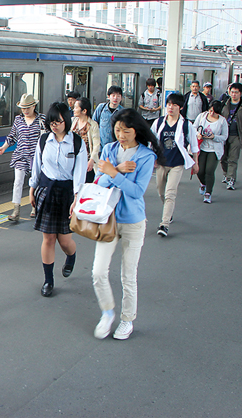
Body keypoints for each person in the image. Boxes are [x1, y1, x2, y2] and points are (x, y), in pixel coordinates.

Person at [92, 108, 163, 341]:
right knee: (98, 272)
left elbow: (136, 192)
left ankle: (127, 319)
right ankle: (107, 311)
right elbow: (99, 182)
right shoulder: (110, 149)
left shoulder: (145, 156)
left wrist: (113, 173)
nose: (120, 135)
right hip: (108, 219)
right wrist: (117, 171)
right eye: (117, 130)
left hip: (133, 222)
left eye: (126, 130)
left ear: (137, 130)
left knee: (128, 275)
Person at [29, 102, 88, 298]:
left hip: (67, 194)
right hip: (46, 190)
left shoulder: (77, 143)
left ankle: (71, 257)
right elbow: (37, 165)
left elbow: (79, 174)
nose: (54, 126)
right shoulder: (44, 140)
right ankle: (48, 280)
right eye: (51, 122)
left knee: (64, 240)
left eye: (58, 122)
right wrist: (32, 188)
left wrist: (77, 197)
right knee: (48, 238)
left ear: (67, 121)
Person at [150, 93, 199, 237]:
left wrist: (195, 163)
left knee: (170, 192)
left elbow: (194, 145)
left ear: (181, 107)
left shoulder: (186, 125)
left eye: (174, 105)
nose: (170, 107)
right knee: (161, 191)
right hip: (161, 163)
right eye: (169, 104)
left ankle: (164, 224)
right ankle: (168, 211)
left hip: (177, 163)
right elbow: (151, 141)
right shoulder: (159, 122)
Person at [0, 93, 46, 222]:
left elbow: (48, 138)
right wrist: (4, 147)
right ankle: (16, 209)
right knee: (18, 181)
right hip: (21, 154)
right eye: (23, 108)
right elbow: (12, 136)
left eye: (28, 108)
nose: (25, 111)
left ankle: (34, 207)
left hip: (37, 157)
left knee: (35, 182)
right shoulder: (18, 119)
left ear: (34, 106)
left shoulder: (42, 120)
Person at [220, 83, 242, 190]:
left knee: (233, 158)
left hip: (237, 135)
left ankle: (231, 179)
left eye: (236, 92)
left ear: (241, 93)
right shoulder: (224, 104)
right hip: (223, 136)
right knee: (223, 157)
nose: (233, 94)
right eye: (232, 92)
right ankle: (226, 173)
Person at [194, 101, 228, 204]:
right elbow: (193, 128)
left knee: (209, 170)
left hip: (214, 149)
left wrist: (214, 137)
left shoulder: (222, 121)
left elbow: (224, 136)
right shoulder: (202, 116)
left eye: (214, 112)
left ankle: (208, 192)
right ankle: (204, 183)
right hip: (202, 147)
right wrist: (198, 134)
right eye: (210, 110)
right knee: (200, 170)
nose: (211, 113)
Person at [71, 97, 100, 183]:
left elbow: (96, 145)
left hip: (87, 163)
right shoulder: (73, 121)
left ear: (84, 111)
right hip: (74, 160)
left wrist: (92, 160)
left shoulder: (93, 125)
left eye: (76, 107)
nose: (74, 109)